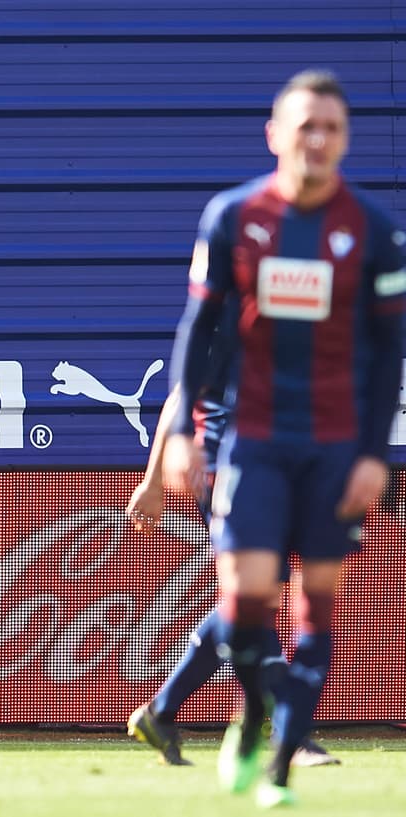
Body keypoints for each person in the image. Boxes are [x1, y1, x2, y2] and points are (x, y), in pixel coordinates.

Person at [163, 70, 404, 807]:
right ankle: (253, 712)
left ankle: (277, 771)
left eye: (332, 128)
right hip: (255, 440)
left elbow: (389, 354)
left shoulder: (375, 231)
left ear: (346, 140)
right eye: (306, 126)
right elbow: (199, 329)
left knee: (316, 604)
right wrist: (181, 431)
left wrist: (375, 455)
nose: (318, 140)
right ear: (275, 135)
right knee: (245, 600)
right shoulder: (234, 216)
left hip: (335, 446)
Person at [126, 384, 336, 768]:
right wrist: (153, 480)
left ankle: (161, 712)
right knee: (258, 595)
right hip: (225, 462)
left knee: (252, 600)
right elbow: (183, 391)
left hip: (277, 458)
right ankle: (288, 734)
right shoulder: (227, 342)